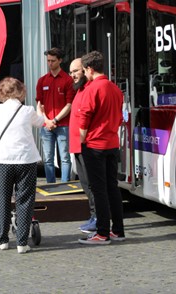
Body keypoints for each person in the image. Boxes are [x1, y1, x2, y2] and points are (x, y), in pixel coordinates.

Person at [0, 77, 44, 254]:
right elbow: (42, 123)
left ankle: (2, 240)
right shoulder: (28, 110)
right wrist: (40, 111)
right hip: (25, 161)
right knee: (25, 200)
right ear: (21, 92)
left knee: (2, 200)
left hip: (2, 161)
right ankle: (22, 242)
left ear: (1, 93)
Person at [77, 51, 125, 245]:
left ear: (89, 69)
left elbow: (85, 118)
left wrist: (81, 141)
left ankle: (102, 233)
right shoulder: (115, 89)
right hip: (112, 143)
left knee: (98, 190)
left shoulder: (92, 89)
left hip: (95, 145)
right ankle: (118, 230)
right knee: (112, 187)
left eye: (84, 71)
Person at [36, 48, 75, 183]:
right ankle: (50, 185)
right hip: (47, 125)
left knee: (64, 157)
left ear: (60, 60)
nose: (50, 63)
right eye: (48, 61)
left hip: (63, 124)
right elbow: (39, 104)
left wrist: (54, 120)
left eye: (53, 61)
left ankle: (65, 185)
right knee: (47, 158)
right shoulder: (42, 81)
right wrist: (46, 120)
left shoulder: (68, 80)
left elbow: (69, 105)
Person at [68, 58, 96, 233]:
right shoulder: (79, 90)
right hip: (77, 145)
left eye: (76, 71)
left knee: (91, 185)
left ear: (85, 70)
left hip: (85, 145)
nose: (73, 75)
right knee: (86, 184)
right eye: (71, 72)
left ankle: (98, 217)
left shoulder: (88, 89)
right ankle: (94, 216)